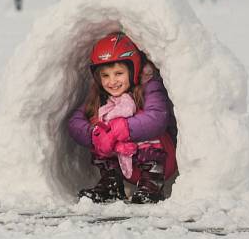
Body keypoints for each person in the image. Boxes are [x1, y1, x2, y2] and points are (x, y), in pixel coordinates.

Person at [67, 33, 178, 204]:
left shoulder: (149, 85)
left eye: (118, 73)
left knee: (141, 121)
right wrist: (97, 135)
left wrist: (122, 130)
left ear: (133, 70)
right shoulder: (101, 96)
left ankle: (152, 186)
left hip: (162, 161)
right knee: (100, 123)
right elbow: (75, 123)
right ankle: (111, 184)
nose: (112, 81)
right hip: (125, 163)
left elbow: (157, 119)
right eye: (105, 75)